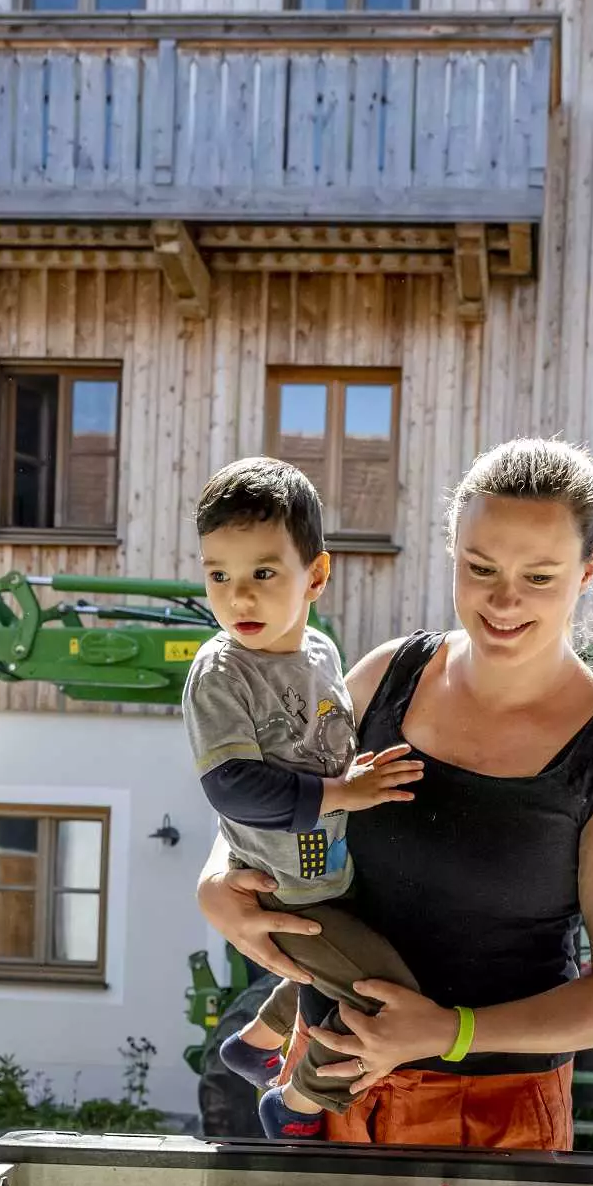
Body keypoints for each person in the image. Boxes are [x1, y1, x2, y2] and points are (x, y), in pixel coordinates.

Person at [199, 438, 593, 1148]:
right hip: (323, 1098)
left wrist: (453, 1032)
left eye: (539, 578)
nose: (504, 600)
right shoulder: (388, 674)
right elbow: (282, 792)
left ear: (589, 569)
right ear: (452, 550)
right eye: (480, 568)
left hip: (493, 1117)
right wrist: (214, 883)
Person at [183, 456, 426, 1135]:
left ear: (315, 576)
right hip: (284, 884)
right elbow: (230, 785)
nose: (239, 598)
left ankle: (254, 1045)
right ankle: (294, 1103)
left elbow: (322, 741)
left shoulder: (320, 653)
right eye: (218, 576)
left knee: (340, 964)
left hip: (329, 865)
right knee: (381, 990)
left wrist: (357, 775)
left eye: (263, 573)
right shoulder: (221, 674)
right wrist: (346, 791)